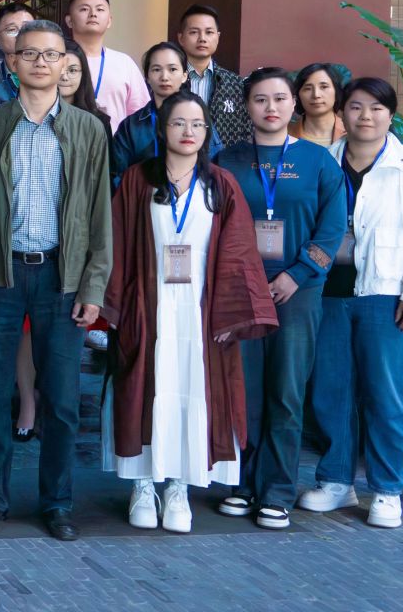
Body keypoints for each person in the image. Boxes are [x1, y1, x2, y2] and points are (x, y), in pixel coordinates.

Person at [0, 20, 111, 542]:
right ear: (12, 62)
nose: (41, 63)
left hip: (62, 278)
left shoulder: (88, 129)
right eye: (30, 54)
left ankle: (57, 502)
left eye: (51, 55)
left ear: (66, 63)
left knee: (62, 402)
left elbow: (99, 215)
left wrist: (93, 286)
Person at [102, 92, 279, 534]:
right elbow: (117, 243)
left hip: (201, 309)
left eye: (197, 124)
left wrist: (229, 314)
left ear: (207, 132)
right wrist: (115, 306)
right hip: (149, 304)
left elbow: (239, 252)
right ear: (162, 129)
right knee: (145, 389)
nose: (188, 132)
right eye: (178, 123)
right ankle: (143, 484)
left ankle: (179, 487)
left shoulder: (220, 184)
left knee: (191, 393)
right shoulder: (138, 180)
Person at [297, 77, 403, 529]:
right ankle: (336, 480)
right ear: (341, 113)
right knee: (331, 391)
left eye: (376, 108)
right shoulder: (322, 162)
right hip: (328, 293)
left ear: (390, 115)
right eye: (356, 107)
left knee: (388, 394)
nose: (366, 116)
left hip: (387, 295)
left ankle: (386, 489)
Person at [213, 67, 343, 530]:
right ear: (247, 106)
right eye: (260, 99)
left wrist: (298, 273)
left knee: (286, 391)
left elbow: (332, 228)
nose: (271, 108)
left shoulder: (318, 161)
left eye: (280, 99)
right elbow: (214, 223)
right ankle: (242, 484)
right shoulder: (227, 160)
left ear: (294, 104)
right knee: (244, 389)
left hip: (298, 293)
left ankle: (277, 490)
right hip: (242, 290)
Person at [110, 41, 210, 183]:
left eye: (172, 69)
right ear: (147, 77)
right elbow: (117, 177)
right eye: (156, 70)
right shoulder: (130, 126)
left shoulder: (199, 119)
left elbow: (213, 165)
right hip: (143, 195)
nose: (164, 77)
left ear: (184, 76)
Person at [63, 0, 149, 131]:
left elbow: (140, 115)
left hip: (115, 143)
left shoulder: (124, 63)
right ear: (69, 20)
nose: (93, 14)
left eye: (100, 9)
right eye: (84, 9)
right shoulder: (58, 60)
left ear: (109, 21)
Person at [175, 5, 247, 149]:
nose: (202, 38)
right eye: (194, 32)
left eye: (209, 32)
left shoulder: (236, 84)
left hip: (224, 160)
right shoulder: (170, 81)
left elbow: (246, 131)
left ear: (218, 37)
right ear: (181, 38)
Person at [291, 62, 348, 148]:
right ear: (298, 95)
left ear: (336, 92)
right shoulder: (285, 134)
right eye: (308, 88)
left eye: (324, 87)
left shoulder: (351, 133)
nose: (316, 95)